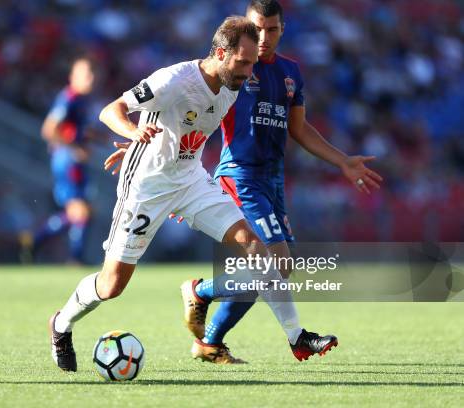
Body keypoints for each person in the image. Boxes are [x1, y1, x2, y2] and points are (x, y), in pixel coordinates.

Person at [105, 0, 381, 364]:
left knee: (271, 268)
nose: (263, 38)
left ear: (282, 30)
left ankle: (209, 334)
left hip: (272, 178)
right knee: (275, 264)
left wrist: (342, 160)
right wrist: (146, 149)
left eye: (271, 30)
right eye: (257, 29)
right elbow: (186, 110)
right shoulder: (233, 72)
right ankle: (210, 299)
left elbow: (299, 129)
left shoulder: (290, 74)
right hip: (239, 175)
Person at [50, 16, 330, 373]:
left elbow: (186, 130)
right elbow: (112, 111)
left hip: (191, 179)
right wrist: (134, 135)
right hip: (147, 187)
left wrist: (159, 148)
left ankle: (297, 337)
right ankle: (61, 325)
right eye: (243, 62)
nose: (250, 70)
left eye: (252, 62)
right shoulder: (174, 80)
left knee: (255, 245)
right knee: (112, 285)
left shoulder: (233, 84)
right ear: (219, 52)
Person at [20, 58, 95, 264]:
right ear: (73, 77)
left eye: (92, 73)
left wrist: (93, 138)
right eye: (86, 74)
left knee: (81, 212)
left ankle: (34, 241)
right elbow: (49, 129)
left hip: (74, 160)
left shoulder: (81, 100)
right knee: (81, 211)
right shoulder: (68, 98)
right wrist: (74, 148)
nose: (91, 78)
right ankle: (75, 259)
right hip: (67, 160)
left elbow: (75, 129)